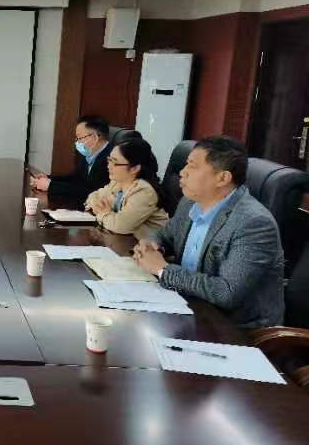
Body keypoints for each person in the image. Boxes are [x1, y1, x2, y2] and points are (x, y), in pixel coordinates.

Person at [133, 136, 284, 328]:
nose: (182, 172)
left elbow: (226, 293)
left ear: (222, 178)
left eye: (192, 166)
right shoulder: (190, 202)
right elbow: (166, 235)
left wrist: (162, 270)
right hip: (187, 306)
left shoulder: (253, 223)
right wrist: (152, 244)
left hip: (234, 329)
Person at [84, 138, 168, 239]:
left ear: (134, 168)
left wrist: (103, 214)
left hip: (150, 245)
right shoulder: (117, 182)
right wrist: (100, 208)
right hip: (123, 240)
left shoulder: (144, 191)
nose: (109, 166)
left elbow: (121, 226)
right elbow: (93, 197)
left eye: (115, 162)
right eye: (109, 160)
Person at [30, 115, 111, 202]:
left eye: (80, 138)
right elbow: (75, 178)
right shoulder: (91, 153)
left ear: (94, 137)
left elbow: (90, 191)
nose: (77, 142)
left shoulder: (111, 159)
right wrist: (49, 179)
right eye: (77, 138)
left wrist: (51, 186)